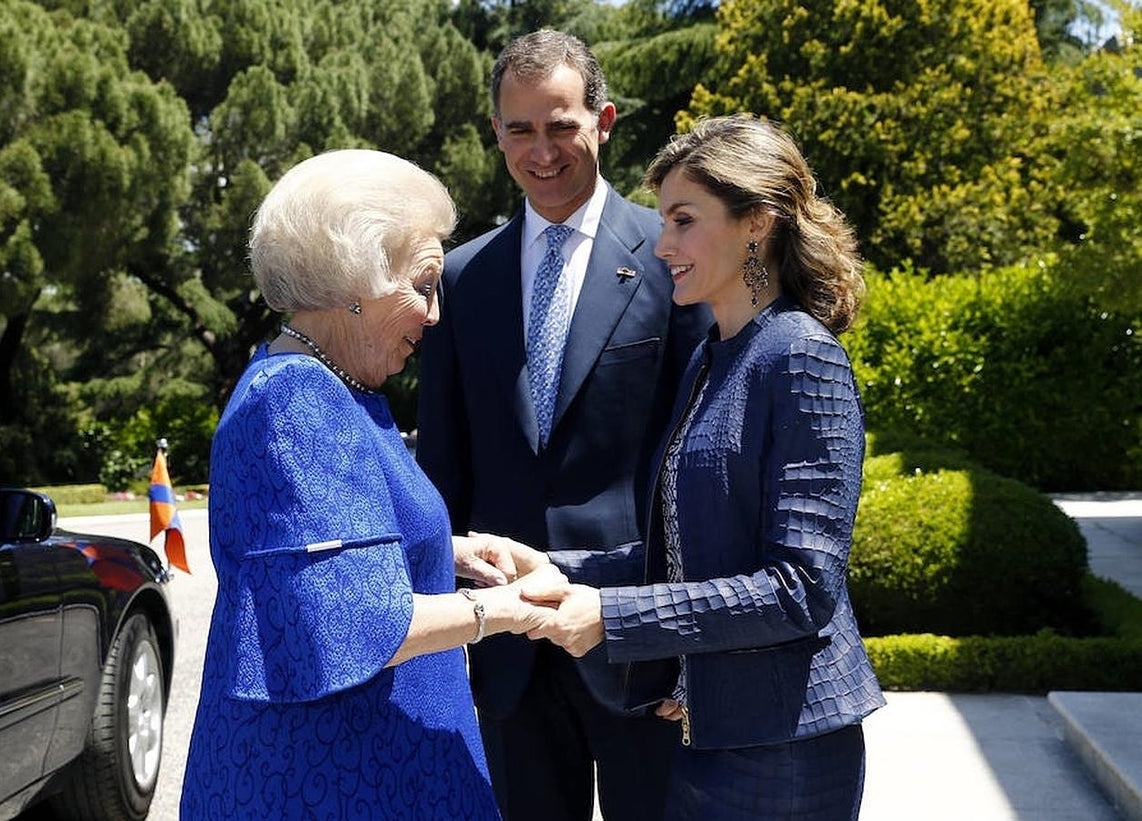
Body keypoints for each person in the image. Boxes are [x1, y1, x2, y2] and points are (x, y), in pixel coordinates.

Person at [519, 114, 887, 820]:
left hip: (785, 756)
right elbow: (687, 549)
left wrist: (610, 615)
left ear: (757, 222)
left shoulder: (800, 357)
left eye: (684, 221)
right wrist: (553, 568)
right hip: (707, 739)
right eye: (664, 222)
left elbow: (800, 590)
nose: (662, 246)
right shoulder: (713, 356)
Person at [180, 149, 563, 820]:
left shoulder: (343, 387)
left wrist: (448, 551)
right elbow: (354, 621)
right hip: (333, 780)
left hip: (369, 766)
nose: (435, 312)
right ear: (355, 280)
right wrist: (509, 610)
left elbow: (328, 552)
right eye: (423, 284)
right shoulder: (297, 400)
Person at [416, 28, 712, 821]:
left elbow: (698, 465)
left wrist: (690, 647)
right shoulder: (461, 277)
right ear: (497, 134)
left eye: (561, 126)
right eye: (521, 129)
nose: (541, 151)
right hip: (506, 654)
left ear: (604, 121)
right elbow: (445, 466)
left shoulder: (676, 256)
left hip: (637, 641)